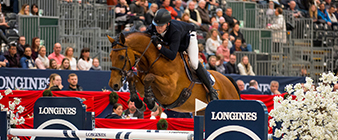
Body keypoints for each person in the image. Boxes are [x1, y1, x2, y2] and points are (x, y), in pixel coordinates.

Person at [146, 9, 218, 100]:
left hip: (187, 38)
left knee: (194, 63)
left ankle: (211, 90)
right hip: (172, 40)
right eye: (157, 26)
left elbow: (172, 55)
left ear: (168, 24)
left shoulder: (175, 31)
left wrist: (159, 46)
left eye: (161, 26)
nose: (158, 28)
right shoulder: (154, 26)